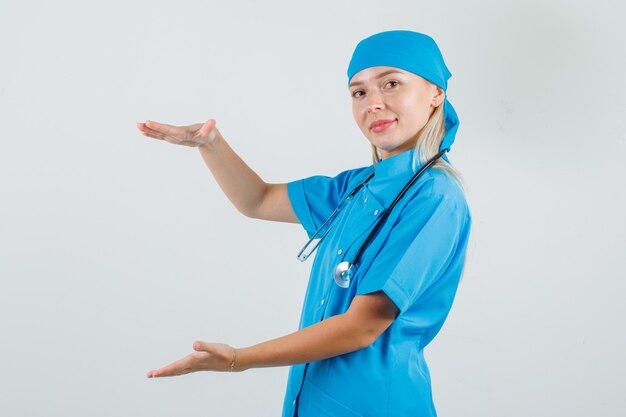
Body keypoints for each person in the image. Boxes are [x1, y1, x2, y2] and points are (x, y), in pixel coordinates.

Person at [136, 30, 471, 417]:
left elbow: (362, 326)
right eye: (358, 92)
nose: (373, 103)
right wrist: (209, 144)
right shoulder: (356, 187)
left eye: (391, 84)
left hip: (378, 404)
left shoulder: (436, 197)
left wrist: (238, 358)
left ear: (436, 94)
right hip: (313, 401)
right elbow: (257, 199)